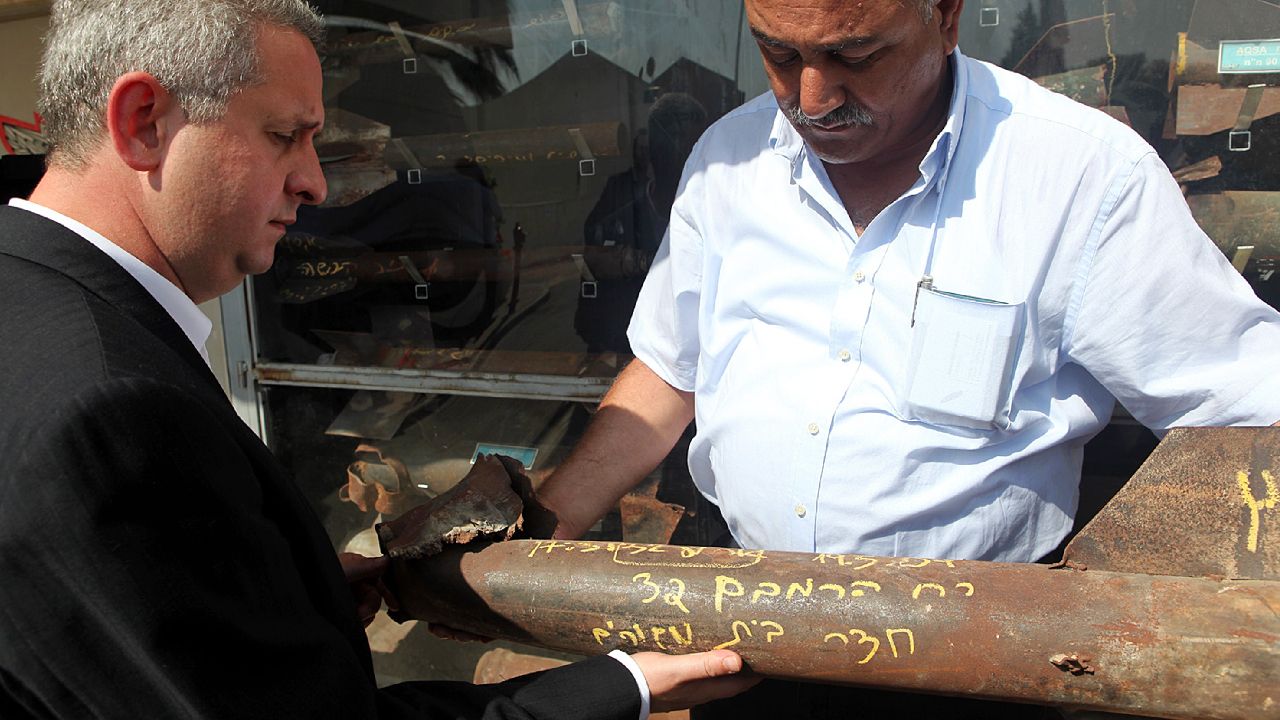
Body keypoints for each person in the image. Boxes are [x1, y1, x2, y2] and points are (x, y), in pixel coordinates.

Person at [0, 1, 757, 718]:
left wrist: (291, 593)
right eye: (283, 136)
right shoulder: (110, 411)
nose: (315, 182)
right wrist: (623, 686)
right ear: (143, 122)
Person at [536, 0, 1280, 716]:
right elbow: (671, 373)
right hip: (739, 646)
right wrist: (544, 528)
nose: (812, 98)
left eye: (855, 54)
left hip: (973, 667)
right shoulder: (728, 159)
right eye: (779, 53)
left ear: (946, 17)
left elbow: (1242, 406)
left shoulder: (1080, 177)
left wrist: (1164, 618)